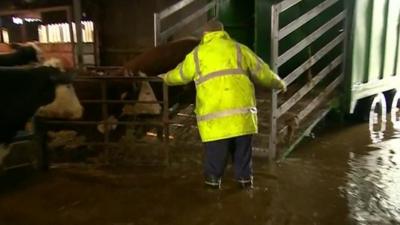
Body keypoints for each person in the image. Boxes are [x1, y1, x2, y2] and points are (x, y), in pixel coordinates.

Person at [159, 20, 286, 189]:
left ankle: (213, 186)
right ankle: (245, 186)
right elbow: (263, 72)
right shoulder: (239, 49)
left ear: (205, 35)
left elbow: (180, 75)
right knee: (243, 157)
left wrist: (164, 78)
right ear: (223, 32)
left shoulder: (197, 54)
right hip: (242, 117)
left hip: (214, 119)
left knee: (215, 159)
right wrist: (280, 83)